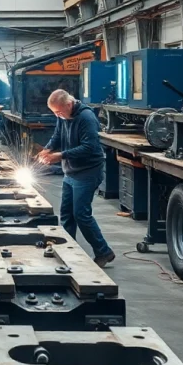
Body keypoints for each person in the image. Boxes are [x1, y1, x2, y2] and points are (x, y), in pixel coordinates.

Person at [37, 89, 115, 268]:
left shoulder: (86, 118)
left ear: (69, 104)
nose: (57, 115)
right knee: (66, 213)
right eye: (54, 113)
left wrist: (60, 155)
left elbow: (89, 148)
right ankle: (66, 249)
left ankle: (104, 252)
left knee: (81, 214)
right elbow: (57, 135)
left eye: (58, 112)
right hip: (71, 172)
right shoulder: (63, 116)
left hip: (88, 171)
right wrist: (47, 149)